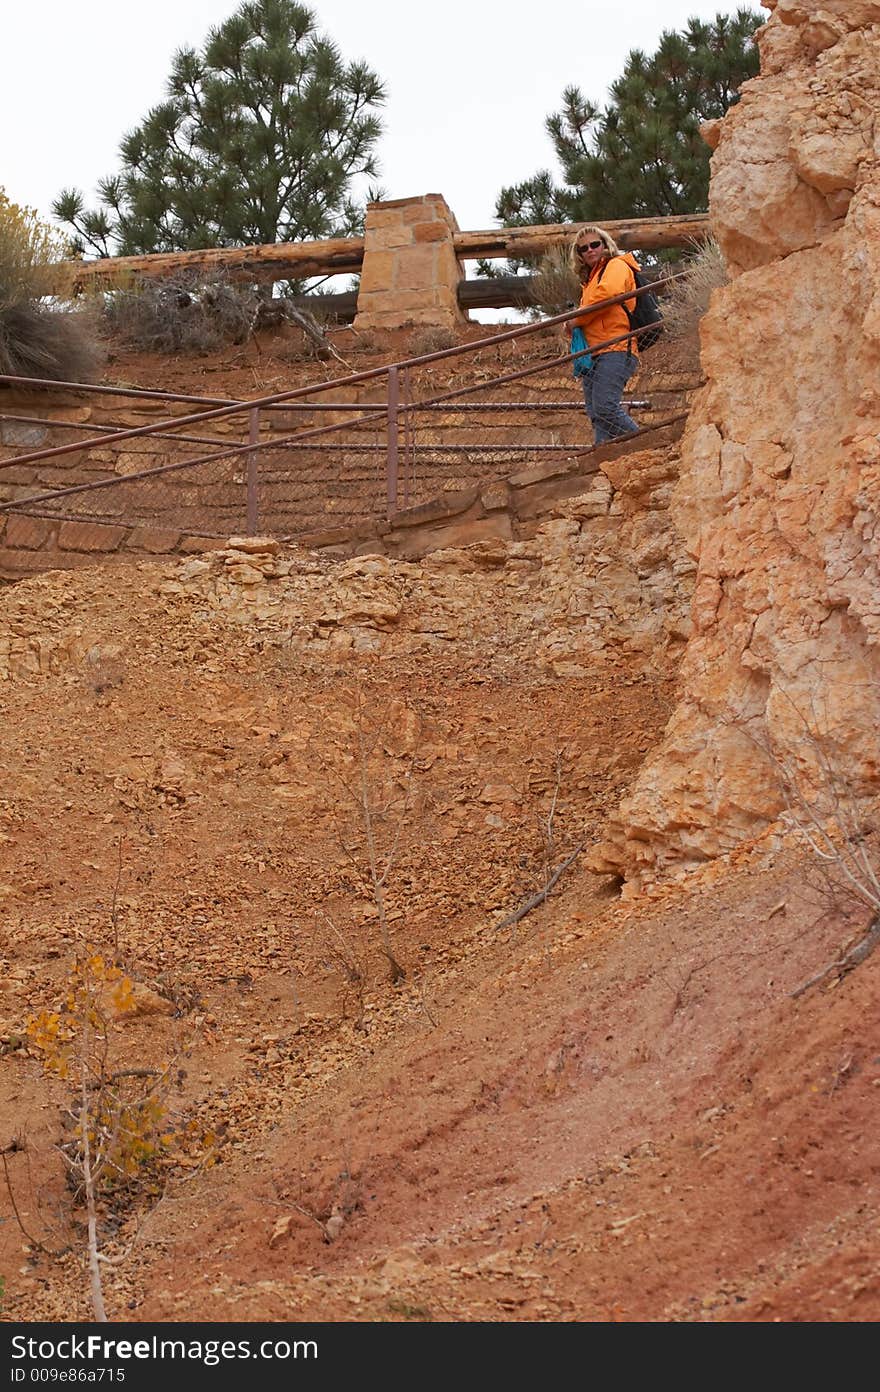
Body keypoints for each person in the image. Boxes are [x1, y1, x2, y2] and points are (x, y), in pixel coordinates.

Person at [571, 225, 640, 444]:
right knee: (596, 415)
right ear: (579, 255)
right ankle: (602, 462)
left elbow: (607, 294)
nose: (590, 250)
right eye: (583, 248)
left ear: (605, 245)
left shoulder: (617, 265)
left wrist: (575, 318)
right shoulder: (589, 281)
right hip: (594, 352)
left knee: (605, 407)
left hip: (616, 348)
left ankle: (646, 441)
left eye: (594, 244)